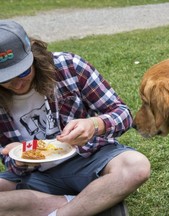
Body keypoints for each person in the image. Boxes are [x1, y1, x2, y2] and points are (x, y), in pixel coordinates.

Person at [0, 20, 150, 216]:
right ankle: (88, 204)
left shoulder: (69, 66)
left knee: (136, 166)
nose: (17, 84)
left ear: (33, 56)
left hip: (88, 159)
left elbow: (123, 113)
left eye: (24, 72)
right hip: (36, 175)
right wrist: (18, 159)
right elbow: (11, 162)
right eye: (6, 79)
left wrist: (94, 124)